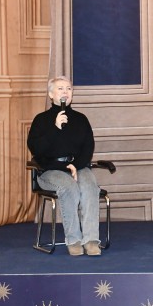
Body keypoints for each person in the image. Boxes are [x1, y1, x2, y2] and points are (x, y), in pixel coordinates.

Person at [27, 76, 102, 256]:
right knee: (69, 187)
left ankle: (91, 240)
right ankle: (74, 240)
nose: (65, 92)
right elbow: (36, 149)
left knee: (90, 186)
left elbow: (88, 148)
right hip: (50, 170)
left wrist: (75, 165)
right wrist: (55, 128)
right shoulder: (41, 120)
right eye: (60, 89)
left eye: (68, 88)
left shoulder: (81, 119)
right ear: (51, 94)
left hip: (78, 167)